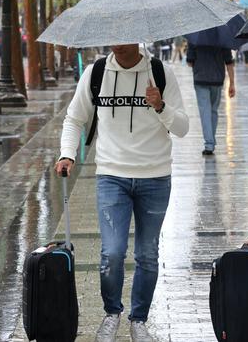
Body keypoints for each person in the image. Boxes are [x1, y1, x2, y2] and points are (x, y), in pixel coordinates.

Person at [55, 44, 189, 342]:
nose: (118, 42)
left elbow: (182, 128)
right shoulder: (97, 73)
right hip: (111, 176)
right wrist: (67, 154)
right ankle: (112, 312)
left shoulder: (160, 73)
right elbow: (74, 118)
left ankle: (138, 320)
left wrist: (161, 106)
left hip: (155, 177)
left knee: (147, 254)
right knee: (112, 253)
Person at [186, 42, 235, 155]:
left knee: (205, 111)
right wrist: (232, 83)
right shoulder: (222, 37)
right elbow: (229, 61)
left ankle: (209, 144)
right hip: (217, 79)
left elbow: (189, 61)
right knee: (213, 110)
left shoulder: (195, 37)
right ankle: (210, 141)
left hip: (200, 78)